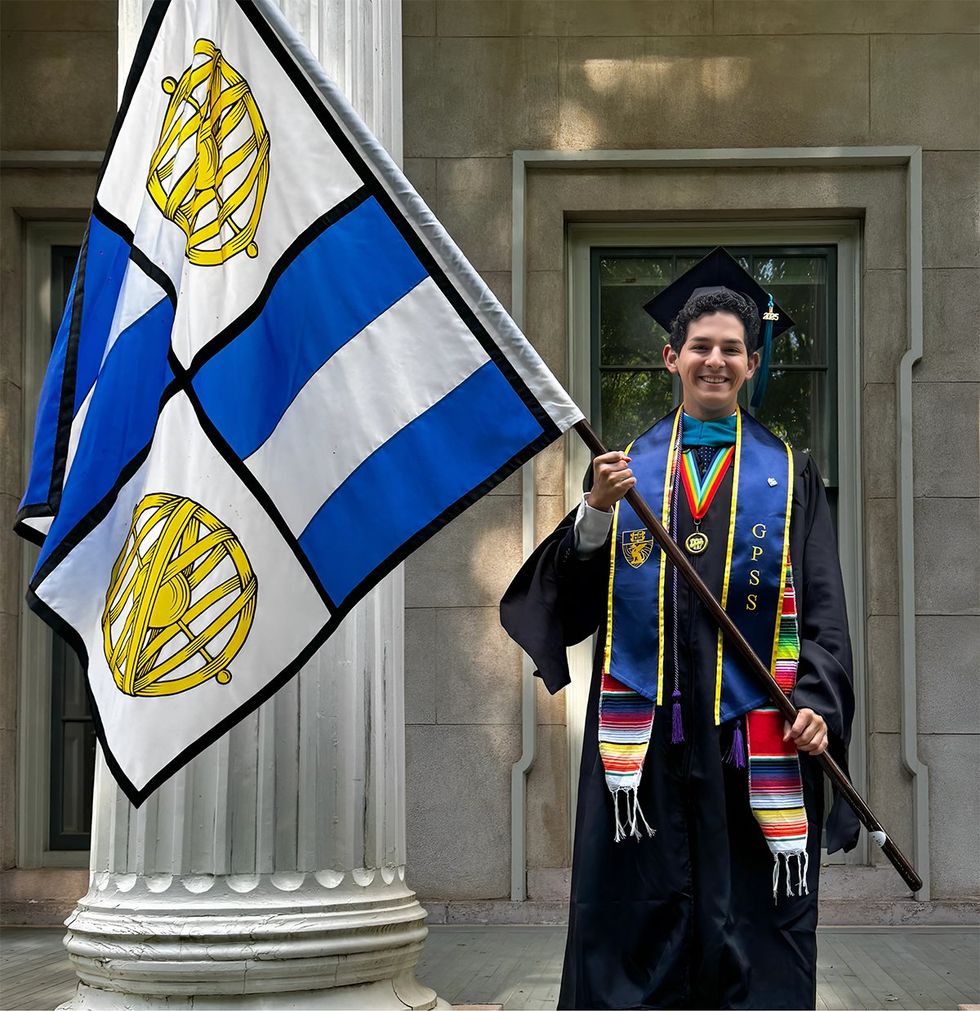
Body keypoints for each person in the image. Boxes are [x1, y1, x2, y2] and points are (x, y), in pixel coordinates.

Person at [500, 248, 859, 1010]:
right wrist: (594, 512)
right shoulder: (624, 473)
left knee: (754, 930)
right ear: (672, 357)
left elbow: (824, 610)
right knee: (636, 925)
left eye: (732, 348)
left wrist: (819, 704)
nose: (716, 360)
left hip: (750, 737)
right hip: (652, 746)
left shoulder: (791, 474)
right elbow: (563, 603)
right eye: (701, 347)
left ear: (752, 363)